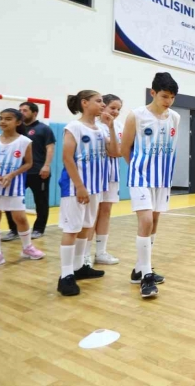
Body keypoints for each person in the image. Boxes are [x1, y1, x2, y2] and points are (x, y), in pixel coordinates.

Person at [121, 72, 180, 298]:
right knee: (145, 220)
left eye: (172, 98)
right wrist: (137, 168)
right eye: (164, 96)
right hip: (140, 177)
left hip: (162, 179)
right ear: (153, 93)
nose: (168, 101)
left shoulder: (175, 118)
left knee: (153, 222)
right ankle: (146, 276)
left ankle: (139, 269)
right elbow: (125, 148)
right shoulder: (135, 116)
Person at [57, 91, 117, 296]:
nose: (103, 104)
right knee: (72, 229)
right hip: (76, 187)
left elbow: (114, 152)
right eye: (98, 101)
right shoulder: (73, 127)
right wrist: (80, 186)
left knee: (85, 227)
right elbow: (67, 158)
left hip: (96, 187)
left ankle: (79, 267)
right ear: (84, 103)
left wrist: (111, 126)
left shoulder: (102, 128)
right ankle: (65, 275)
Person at [0, 108, 46, 269]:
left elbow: (28, 163)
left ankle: (27, 248)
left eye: (8, 118)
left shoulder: (24, 141)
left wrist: (11, 175)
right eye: (1, 118)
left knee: (20, 218)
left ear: (18, 122)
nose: (3, 121)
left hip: (13, 185)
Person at [2, 102, 56, 241]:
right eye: (20, 110)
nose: (21, 112)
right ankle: (14, 230)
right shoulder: (16, 130)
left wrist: (46, 166)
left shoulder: (44, 129)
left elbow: (50, 148)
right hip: (18, 172)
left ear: (34, 113)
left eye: (25, 110)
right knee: (10, 200)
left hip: (38, 171)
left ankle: (38, 229)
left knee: (41, 202)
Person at [87, 94, 123, 266]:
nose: (115, 112)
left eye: (118, 109)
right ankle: (85, 253)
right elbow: (111, 151)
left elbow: (119, 151)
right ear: (103, 107)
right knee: (91, 213)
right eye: (112, 108)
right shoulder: (94, 126)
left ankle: (100, 252)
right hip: (94, 177)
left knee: (105, 212)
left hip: (112, 176)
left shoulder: (120, 127)